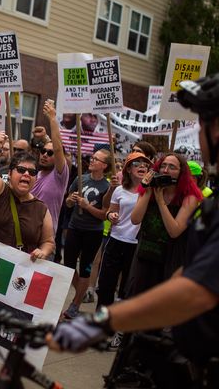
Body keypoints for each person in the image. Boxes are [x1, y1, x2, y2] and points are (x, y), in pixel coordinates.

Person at [47, 73, 219, 388]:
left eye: (204, 123)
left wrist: (97, 325)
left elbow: (195, 288)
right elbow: (190, 273)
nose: (200, 136)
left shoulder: (198, 198)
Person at [0, 130, 55, 388]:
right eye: (21, 170)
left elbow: (48, 241)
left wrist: (44, 252)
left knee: (9, 327)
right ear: (11, 172)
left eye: (32, 172)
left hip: (17, 276)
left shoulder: (40, 208)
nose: (26, 174)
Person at [97, 152, 152, 350]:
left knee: (126, 291)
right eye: (136, 163)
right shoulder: (119, 190)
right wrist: (111, 215)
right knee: (105, 287)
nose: (141, 166)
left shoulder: (150, 192)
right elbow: (109, 211)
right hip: (115, 241)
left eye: (145, 164)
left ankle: (119, 331)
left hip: (136, 246)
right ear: (128, 169)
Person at [128, 152, 202, 295]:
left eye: (172, 167)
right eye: (163, 166)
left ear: (181, 173)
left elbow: (174, 231)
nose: (166, 170)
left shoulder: (189, 197)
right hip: (146, 255)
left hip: (170, 259)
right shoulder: (150, 189)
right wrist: (147, 192)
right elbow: (135, 219)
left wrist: (161, 201)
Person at [63, 148, 112, 318]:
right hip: (75, 227)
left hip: (93, 232)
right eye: (92, 158)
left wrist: (87, 206)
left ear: (104, 166)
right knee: (68, 266)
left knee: (85, 269)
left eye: (96, 159)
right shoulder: (80, 179)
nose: (92, 161)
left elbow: (103, 215)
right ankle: (81, 293)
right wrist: (71, 200)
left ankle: (75, 305)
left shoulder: (107, 187)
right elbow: (68, 203)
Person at [30, 100, 69, 234]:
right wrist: (45, 138)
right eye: (43, 151)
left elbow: (58, 149)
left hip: (45, 236)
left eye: (50, 153)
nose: (45, 154)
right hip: (26, 232)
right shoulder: (34, 174)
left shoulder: (59, 175)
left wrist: (52, 118)